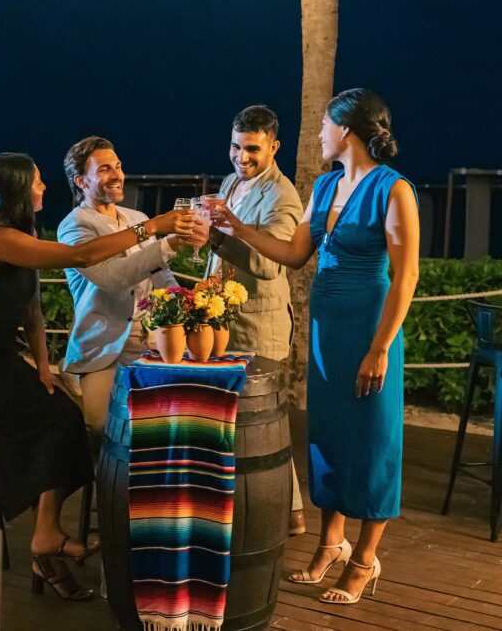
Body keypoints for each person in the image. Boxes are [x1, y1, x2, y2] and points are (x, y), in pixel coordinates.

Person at [0, 152, 195, 602]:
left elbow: (32, 308)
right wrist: (153, 226)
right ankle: (46, 539)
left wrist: (43, 367)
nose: (44, 187)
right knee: (56, 422)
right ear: (15, 189)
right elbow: (81, 255)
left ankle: (45, 538)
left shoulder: (24, 232)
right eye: (36, 181)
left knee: (60, 415)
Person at [212, 89, 419, 605]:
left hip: (370, 329)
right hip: (326, 330)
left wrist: (380, 349)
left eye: (324, 127)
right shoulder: (325, 186)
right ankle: (330, 542)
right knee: (328, 438)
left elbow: (406, 276)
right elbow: (293, 253)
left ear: (346, 131)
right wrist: (234, 227)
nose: (319, 136)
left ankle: (365, 561)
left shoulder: (395, 191)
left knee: (372, 441)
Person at [203, 105, 308, 535]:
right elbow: (222, 245)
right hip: (223, 318)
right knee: (246, 421)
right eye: (235, 146)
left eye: (251, 149)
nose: (240, 157)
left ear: (274, 147)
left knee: (265, 422)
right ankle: (288, 511)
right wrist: (205, 233)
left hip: (259, 325)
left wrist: (234, 228)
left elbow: (270, 265)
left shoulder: (283, 196)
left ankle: (287, 512)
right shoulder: (230, 182)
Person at [58, 136, 205, 430]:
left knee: (166, 428)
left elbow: (158, 273)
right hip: (105, 351)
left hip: (155, 341)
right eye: (104, 170)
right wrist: (167, 244)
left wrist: (188, 301)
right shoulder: (74, 225)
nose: (117, 175)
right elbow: (113, 278)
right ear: (81, 182)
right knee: (106, 433)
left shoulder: (136, 217)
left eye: (118, 166)